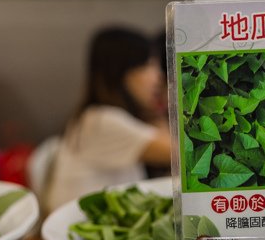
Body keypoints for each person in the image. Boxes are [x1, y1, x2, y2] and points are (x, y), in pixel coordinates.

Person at [45, 26, 171, 212]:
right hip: (78, 234)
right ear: (121, 72)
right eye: (147, 66)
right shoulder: (103, 122)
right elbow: (180, 154)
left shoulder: (92, 116)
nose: (158, 77)